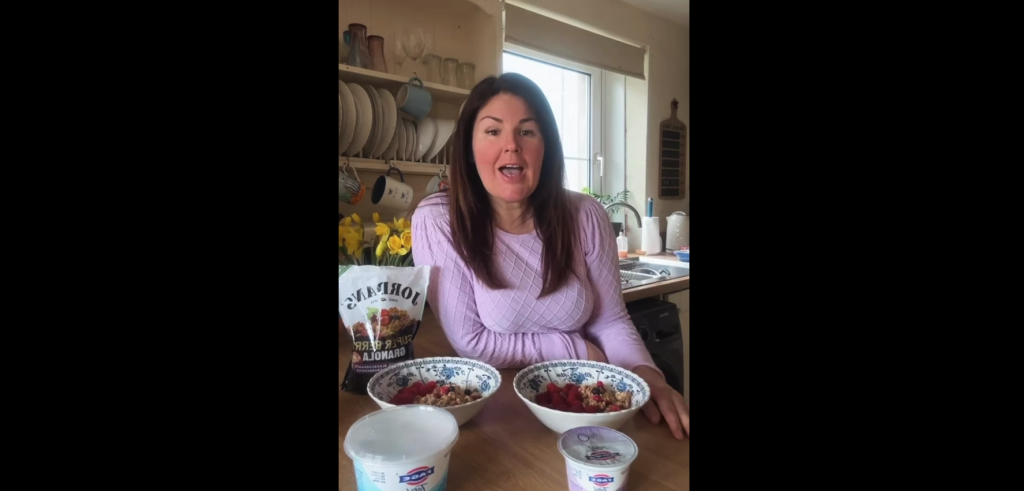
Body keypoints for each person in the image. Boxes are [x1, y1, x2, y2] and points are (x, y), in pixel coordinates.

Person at [411, 73, 689, 439]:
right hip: (500, 416)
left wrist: (646, 373)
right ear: (468, 148)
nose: (511, 145)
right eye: (493, 131)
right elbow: (471, 343)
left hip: (579, 401)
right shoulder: (439, 221)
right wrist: (575, 348)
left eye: (527, 131)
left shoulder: (585, 215)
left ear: (547, 146)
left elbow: (610, 321)